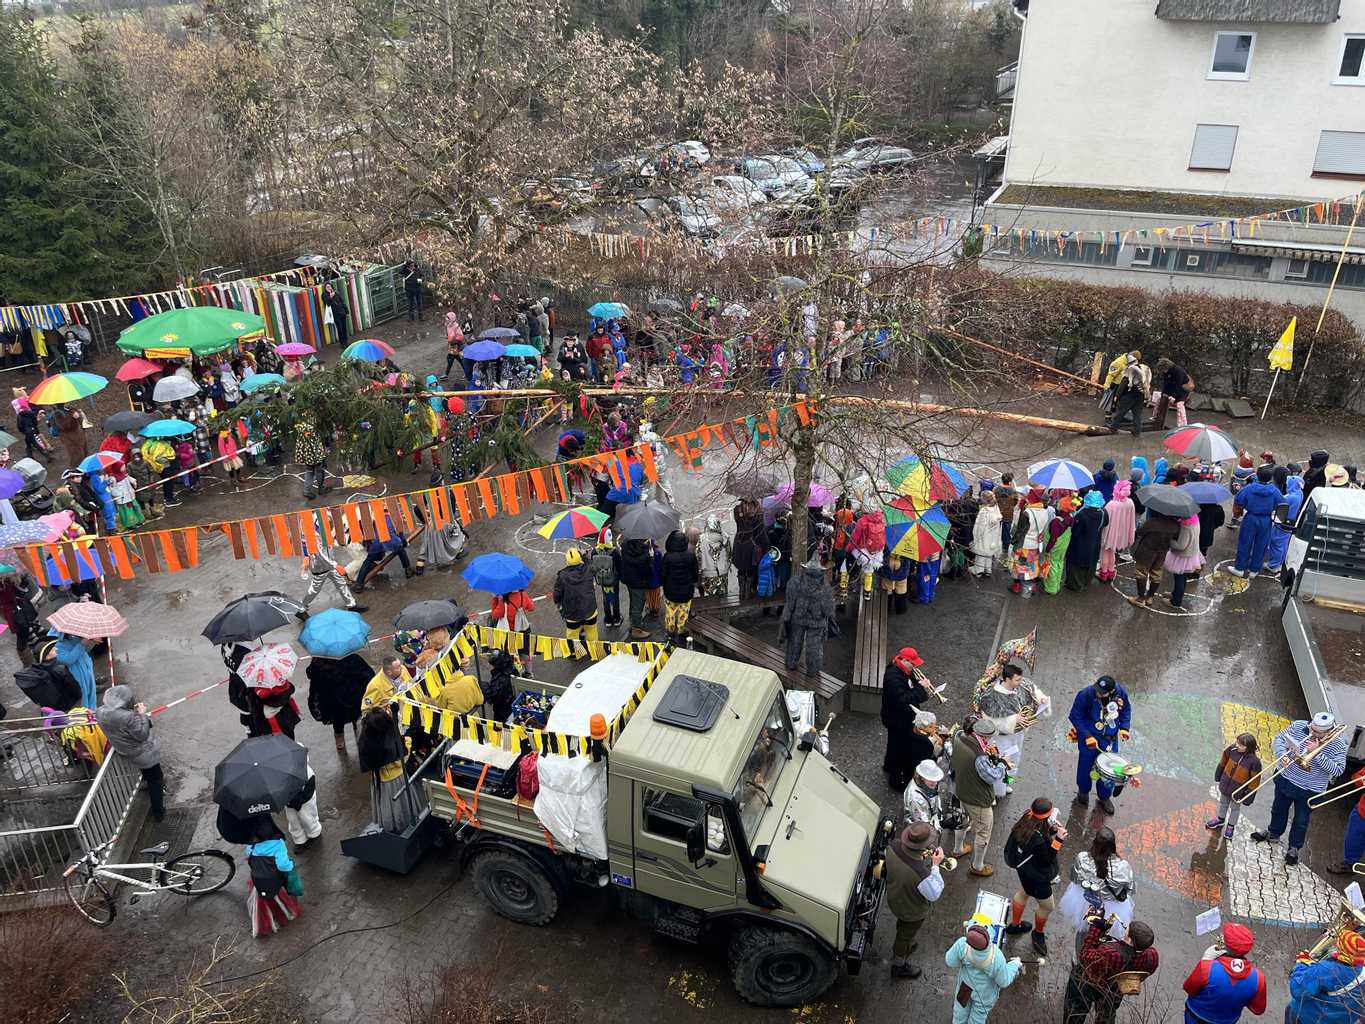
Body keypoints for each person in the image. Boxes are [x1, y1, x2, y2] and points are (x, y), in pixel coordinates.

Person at [1252, 712, 1348, 866]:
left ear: (1328, 732)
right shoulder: (1299, 726)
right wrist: (1281, 754)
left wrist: (1316, 753)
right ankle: (1273, 833)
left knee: (1301, 820)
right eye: (1312, 728)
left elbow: (1338, 770)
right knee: (1278, 809)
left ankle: (1294, 847)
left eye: (1317, 732)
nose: (1312, 733)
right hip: (1287, 778)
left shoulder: (1338, 745)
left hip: (1311, 790)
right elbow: (1280, 738)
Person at [1067, 913, 1159, 1024]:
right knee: (1106, 1015)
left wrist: (1096, 929)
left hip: (1089, 984)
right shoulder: (1152, 956)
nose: (1125, 929)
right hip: (1115, 989)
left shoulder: (1111, 954)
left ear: (1129, 940)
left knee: (1075, 1012)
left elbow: (1084, 956)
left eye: (1127, 929)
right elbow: (1144, 974)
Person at [885, 821, 947, 980]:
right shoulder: (921, 874)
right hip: (911, 911)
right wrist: (935, 866)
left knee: (903, 928)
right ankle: (898, 965)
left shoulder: (893, 845)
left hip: (895, 896)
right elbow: (934, 894)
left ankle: (905, 941)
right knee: (904, 936)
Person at [1003, 797, 1065, 956]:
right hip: (1038, 878)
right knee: (1047, 906)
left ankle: (1015, 925)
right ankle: (1038, 934)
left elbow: (1033, 841)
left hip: (1024, 871)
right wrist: (1058, 839)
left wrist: (1050, 830)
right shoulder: (1037, 840)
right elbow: (1046, 859)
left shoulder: (1026, 819)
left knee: (1023, 893)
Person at [96, 685, 164, 821]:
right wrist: (142, 714)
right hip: (144, 754)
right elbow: (142, 734)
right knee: (156, 778)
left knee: (147, 774)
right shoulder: (128, 717)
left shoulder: (100, 712)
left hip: (125, 750)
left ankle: (147, 783)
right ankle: (158, 811)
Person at [1057, 827, 1135, 947]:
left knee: (1083, 931)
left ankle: (1078, 958)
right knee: (1106, 934)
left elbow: (1073, 878)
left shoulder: (1082, 858)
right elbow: (1130, 889)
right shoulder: (1123, 867)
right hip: (1111, 907)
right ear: (1113, 845)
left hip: (1084, 902)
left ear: (1095, 842)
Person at [952, 718, 1008, 877]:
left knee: (962, 821)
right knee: (983, 833)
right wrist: (1003, 763)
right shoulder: (979, 756)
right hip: (978, 799)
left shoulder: (959, 736)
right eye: (989, 737)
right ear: (984, 736)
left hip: (961, 790)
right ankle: (977, 866)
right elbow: (992, 777)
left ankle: (958, 849)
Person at [975, 664, 1050, 780]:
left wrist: (1041, 698)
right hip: (1002, 737)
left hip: (1018, 733)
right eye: (1017, 680)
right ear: (1007, 679)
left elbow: (1032, 689)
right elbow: (990, 720)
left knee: (1014, 758)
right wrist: (1014, 719)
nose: (1021, 682)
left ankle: (1007, 782)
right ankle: (998, 789)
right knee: (1000, 760)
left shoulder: (1021, 684)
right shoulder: (992, 695)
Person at [1070, 675, 1131, 815]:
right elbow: (1075, 715)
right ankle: (1083, 791)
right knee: (1085, 766)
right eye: (1097, 689)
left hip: (1110, 740)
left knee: (1109, 770)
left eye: (1102, 692)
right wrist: (1087, 735)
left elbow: (1126, 710)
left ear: (1111, 691)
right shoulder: (1086, 693)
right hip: (1090, 739)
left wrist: (1124, 728)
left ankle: (1104, 797)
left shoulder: (1121, 693)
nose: (1097, 693)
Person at [1182, 923, 1264, 1024]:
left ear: (1225, 945)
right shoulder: (1258, 978)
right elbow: (1258, 1009)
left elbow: (1189, 988)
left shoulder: (1207, 968)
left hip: (1196, 1017)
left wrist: (1205, 960)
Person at [358, 707, 422, 831]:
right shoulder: (391, 741)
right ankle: (404, 827)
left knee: (388, 809)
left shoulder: (366, 740)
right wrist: (407, 741)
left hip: (379, 781)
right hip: (397, 780)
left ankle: (392, 827)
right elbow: (402, 758)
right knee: (402, 808)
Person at [944, 923, 1022, 1024]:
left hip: (965, 987)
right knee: (978, 1017)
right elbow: (1004, 981)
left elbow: (950, 961)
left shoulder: (962, 944)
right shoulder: (996, 956)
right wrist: (1015, 964)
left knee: (960, 1010)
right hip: (985, 995)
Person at [1286, 929, 1365, 1024]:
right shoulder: (1362, 973)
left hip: (1309, 1018)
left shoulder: (1326, 969)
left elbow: (1299, 991)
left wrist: (1301, 964)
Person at [244, 816, 303, 937]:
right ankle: (284, 914)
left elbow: (248, 855)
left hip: (258, 879)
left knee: (264, 901)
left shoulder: (252, 844)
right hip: (274, 879)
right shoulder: (277, 843)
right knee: (280, 899)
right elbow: (283, 865)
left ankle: (269, 920)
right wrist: (290, 865)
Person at [882, 647, 933, 789]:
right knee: (900, 748)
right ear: (904, 660)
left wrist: (919, 684)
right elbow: (902, 699)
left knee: (893, 744)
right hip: (897, 719)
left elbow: (909, 687)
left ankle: (889, 766)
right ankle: (897, 781)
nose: (915, 666)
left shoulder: (903, 671)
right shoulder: (893, 677)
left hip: (899, 717)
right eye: (913, 663)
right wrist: (920, 689)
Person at [781, 556, 839, 678]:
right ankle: (812, 671)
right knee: (814, 646)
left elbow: (789, 604)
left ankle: (791, 664)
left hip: (797, 618)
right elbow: (829, 611)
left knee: (795, 642)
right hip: (817, 622)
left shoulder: (795, 582)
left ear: (805, 569)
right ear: (821, 571)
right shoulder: (825, 587)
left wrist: (786, 618)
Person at [306, 650, 372, 753]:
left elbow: (367, 676)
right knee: (345, 720)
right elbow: (368, 676)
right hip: (343, 700)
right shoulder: (320, 664)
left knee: (348, 720)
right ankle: (348, 737)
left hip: (346, 699)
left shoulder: (318, 663)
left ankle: (346, 738)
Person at [1228, 465, 1286, 579]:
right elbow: (1282, 504)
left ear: (1257, 476)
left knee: (1245, 542)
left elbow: (1239, 499)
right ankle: (1254, 570)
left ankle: (1239, 568)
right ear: (1270, 478)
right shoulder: (1274, 490)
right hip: (1266, 519)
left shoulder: (1249, 488)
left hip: (1250, 517)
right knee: (1261, 545)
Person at [1208, 733, 1263, 841]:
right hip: (1226, 785)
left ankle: (1230, 826)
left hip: (1238, 791)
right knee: (1223, 803)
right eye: (1237, 742)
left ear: (1249, 748)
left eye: (1241, 745)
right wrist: (1218, 775)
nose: (1237, 745)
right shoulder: (1232, 750)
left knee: (1235, 809)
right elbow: (1223, 761)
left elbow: (1254, 781)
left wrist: (1248, 796)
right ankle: (1220, 819)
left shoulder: (1254, 762)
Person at [298, 535, 365, 615]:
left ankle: (351, 605)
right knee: (314, 590)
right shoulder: (309, 531)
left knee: (341, 583)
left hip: (330, 564)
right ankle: (301, 608)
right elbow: (318, 553)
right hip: (320, 567)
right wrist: (335, 565)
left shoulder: (320, 526)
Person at [553, 548, 600, 656]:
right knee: (591, 630)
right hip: (589, 609)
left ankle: (575, 652)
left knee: (572, 633)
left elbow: (557, 595)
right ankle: (594, 650)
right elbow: (593, 566)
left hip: (571, 613)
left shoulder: (562, 576)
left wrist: (558, 603)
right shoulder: (588, 569)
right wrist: (584, 556)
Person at [1130, 510, 1180, 608]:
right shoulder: (1175, 525)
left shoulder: (1152, 522)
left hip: (1146, 552)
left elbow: (1140, 532)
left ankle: (1140, 598)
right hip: (1161, 553)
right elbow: (1176, 537)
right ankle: (1150, 597)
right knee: (1156, 574)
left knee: (1141, 573)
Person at [1009, 489, 1052, 596]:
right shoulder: (1045, 512)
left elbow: (1020, 531)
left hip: (1024, 545)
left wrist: (1013, 542)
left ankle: (1017, 586)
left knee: (1019, 565)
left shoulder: (1027, 513)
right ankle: (1032, 587)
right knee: (1033, 564)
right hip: (1036, 544)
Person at [659, 530, 699, 645]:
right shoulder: (691, 556)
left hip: (670, 591)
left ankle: (670, 633)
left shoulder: (667, 557)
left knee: (670, 612)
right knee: (683, 612)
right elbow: (695, 573)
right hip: (686, 592)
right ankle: (682, 632)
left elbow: (663, 574)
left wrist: (663, 586)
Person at [352, 519, 414, 591]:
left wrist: (369, 547)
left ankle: (358, 584)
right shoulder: (391, 516)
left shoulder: (368, 518)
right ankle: (408, 570)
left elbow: (366, 536)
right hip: (392, 542)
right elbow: (400, 532)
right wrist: (404, 543)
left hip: (376, 545)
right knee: (400, 550)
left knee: (368, 560)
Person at [1064, 491, 1108, 591]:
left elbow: (1075, 531)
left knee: (1076, 566)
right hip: (1095, 543)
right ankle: (1086, 582)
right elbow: (1105, 523)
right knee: (1091, 563)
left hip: (1080, 545)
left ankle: (1076, 585)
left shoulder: (1082, 514)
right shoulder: (1103, 513)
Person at [1265, 470, 1304, 573]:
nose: (1287, 485)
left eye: (1288, 484)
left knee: (1277, 543)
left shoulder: (1290, 497)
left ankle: (1273, 565)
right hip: (1290, 524)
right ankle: (1279, 563)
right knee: (1283, 544)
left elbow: (1280, 506)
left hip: (1283, 523)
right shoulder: (1299, 493)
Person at [1098, 480, 1136, 582]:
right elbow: (1132, 520)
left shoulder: (1111, 505)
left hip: (1110, 532)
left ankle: (1104, 573)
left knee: (1106, 552)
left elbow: (1105, 519)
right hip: (1121, 532)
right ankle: (1111, 571)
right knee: (1113, 552)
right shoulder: (1130, 503)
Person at [1165, 513, 1205, 609]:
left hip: (1183, 556)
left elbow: (1181, 546)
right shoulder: (1195, 519)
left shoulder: (1186, 526)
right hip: (1192, 553)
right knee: (1181, 578)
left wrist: (1169, 541)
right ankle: (1175, 593)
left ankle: (1175, 602)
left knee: (1179, 578)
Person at [619, 535, 656, 640]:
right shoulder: (644, 553)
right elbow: (646, 570)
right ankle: (636, 629)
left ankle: (634, 622)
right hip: (639, 582)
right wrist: (651, 558)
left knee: (633, 601)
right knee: (638, 604)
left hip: (629, 579)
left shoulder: (625, 545)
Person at [1107, 356, 1151, 438]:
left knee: (1120, 412)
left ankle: (1113, 428)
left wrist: (1117, 395)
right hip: (1140, 396)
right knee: (1137, 415)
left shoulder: (1130, 370)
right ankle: (1137, 431)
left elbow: (1123, 384)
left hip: (1129, 395)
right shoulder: (1144, 369)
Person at [284, 756, 323, 849]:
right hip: (289, 802)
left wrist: (300, 800)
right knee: (293, 821)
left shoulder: (307, 772)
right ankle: (299, 840)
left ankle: (314, 833)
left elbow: (309, 789)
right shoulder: (280, 771)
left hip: (305, 803)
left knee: (308, 818)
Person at [1041, 495, 1075, 595]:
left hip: (1054, 548)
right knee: (1059, 564)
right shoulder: (1070, 518)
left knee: (1051, 566)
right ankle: (1057, 584)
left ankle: (1051, 588)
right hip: (1063, 547)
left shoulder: (1056, 521)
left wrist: (1047, 549)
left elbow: (1053, 538)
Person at [590, 532, 623, 631]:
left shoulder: (594, 552)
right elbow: (619, 567)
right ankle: (617, 618)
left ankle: (608, 619)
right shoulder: (614, 552)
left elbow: (593, 567)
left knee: (606, 598)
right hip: (613, 580)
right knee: (615, 598)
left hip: (602, 580)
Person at [1151, 357, 1194, 429]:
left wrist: (1173, 396)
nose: (1163, 372)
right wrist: (1163, 393)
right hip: (1172, 388)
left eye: (1163, 369)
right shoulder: (1166, 372)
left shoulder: (1178, 371)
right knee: (1159, 400)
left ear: (1166, 366)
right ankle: (1155, 417)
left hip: (1182, 389)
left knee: (1180, 405)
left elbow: (1178, 384)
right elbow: (1166, 383)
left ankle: (1183, 424)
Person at [294, 419, 330, 501]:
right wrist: (326, 448)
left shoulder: (301, 426)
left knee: (309, 470)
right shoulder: (315, 425)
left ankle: (307, 491)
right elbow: (322, 436)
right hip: (315, 452)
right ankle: (321, 488)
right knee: (319, 470)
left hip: (307, 453)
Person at [971, 490, 1004, 578]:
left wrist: (976, 536)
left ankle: (979, 570)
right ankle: (988, 569)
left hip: (984, 535)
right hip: (993, 535)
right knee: (989, 553)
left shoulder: (984, 511)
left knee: (981, 553)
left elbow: (980, 526)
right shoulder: (996, 508)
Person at [698, 515, 732, 596]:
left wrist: (700, 570)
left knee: (711, 597)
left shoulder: (702, 539)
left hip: (708, 573)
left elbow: (698, 556)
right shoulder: (725, 537)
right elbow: (730, 554)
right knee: (723, 596)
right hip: (723, 572)